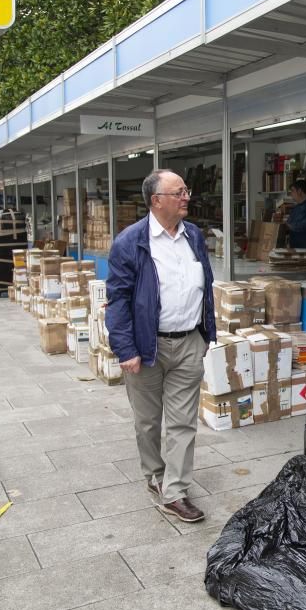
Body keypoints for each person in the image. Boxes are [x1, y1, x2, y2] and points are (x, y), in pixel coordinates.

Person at [105, 169, 216, 523]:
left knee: (183, 423)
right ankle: (154, 474)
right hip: (146, 346)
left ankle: (176, 491)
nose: (186, 197)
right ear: (156, 201)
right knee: (149, 422)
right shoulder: (131, 241)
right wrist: (125, 349)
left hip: (188, 342)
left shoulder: (194, 236)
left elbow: (205, 284)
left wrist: (205, 334)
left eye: (186, 190)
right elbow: (118, 299)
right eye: (178, 192)